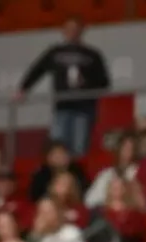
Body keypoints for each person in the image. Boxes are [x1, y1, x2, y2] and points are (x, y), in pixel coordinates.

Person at [15, 16, 111, 156]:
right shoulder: (55, 52)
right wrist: (23, 88)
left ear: (82, 31)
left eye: (75, 29)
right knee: (57, 148)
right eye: (69, 29)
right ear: (63, 31)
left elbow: (104, 83)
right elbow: (37, 69)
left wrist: (86, 83)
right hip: (61, 108)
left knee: (79, 149)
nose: (72, 32)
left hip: (83, 109)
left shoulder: (92, 55)